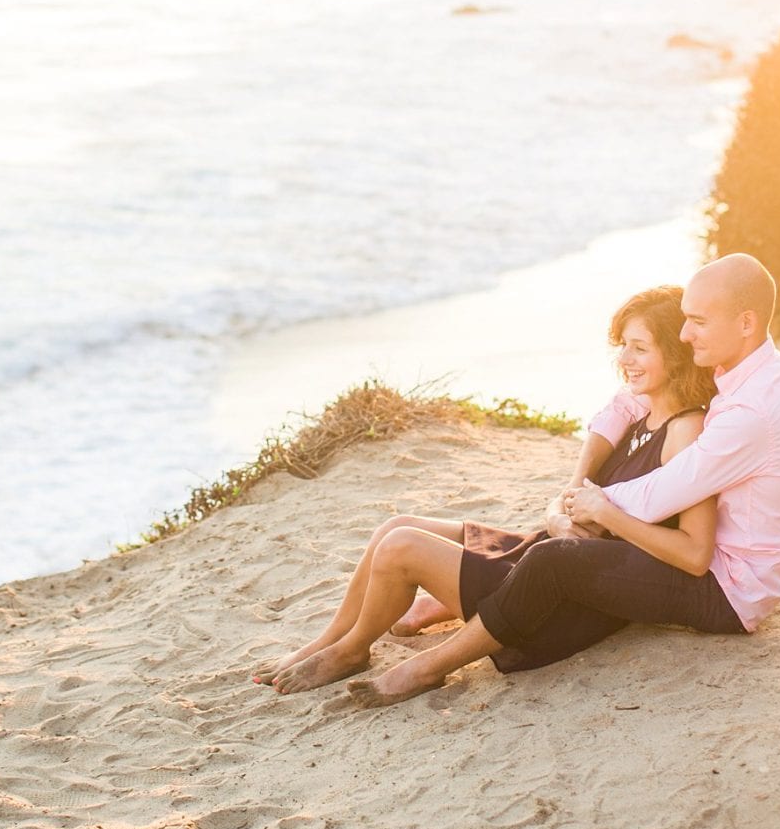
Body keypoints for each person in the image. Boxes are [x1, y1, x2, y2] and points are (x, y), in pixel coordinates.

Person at [255, 281, 725, 695]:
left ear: (675, 353)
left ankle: (351, 651)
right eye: (623, 346)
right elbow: (582, 494)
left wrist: (604, 518)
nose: (625, 360)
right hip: (551, 556)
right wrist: (563, 515)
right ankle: (329, 640)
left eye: (639, 348)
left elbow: (692, 551)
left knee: (401, 547)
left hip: (565, 596)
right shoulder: (639, 415)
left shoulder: (686, 432)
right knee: (397, 525)